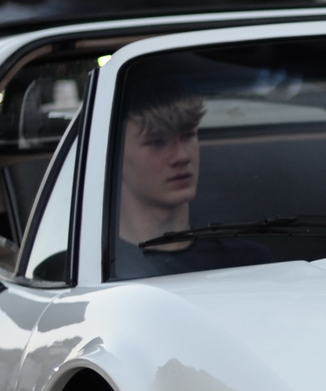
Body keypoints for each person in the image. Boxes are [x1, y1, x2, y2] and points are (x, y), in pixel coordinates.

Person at [106, 87, 268, 279]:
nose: (181, 156)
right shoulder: (87, 271)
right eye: (157, 142)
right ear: (113, 155)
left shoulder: (248, 263)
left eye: (188, 136)